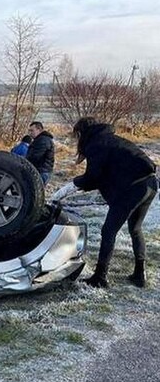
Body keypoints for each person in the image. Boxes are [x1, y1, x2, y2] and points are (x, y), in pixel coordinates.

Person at [72, 116, 158, 288]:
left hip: (133, 188)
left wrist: (76, 182)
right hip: (150, 183)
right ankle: (140, 274)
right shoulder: (111, 139)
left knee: (108, 231)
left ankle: (100, 277)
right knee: (135, 228)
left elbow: (93, 176)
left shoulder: (96, 144)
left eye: (77, 135)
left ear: (82, 132)